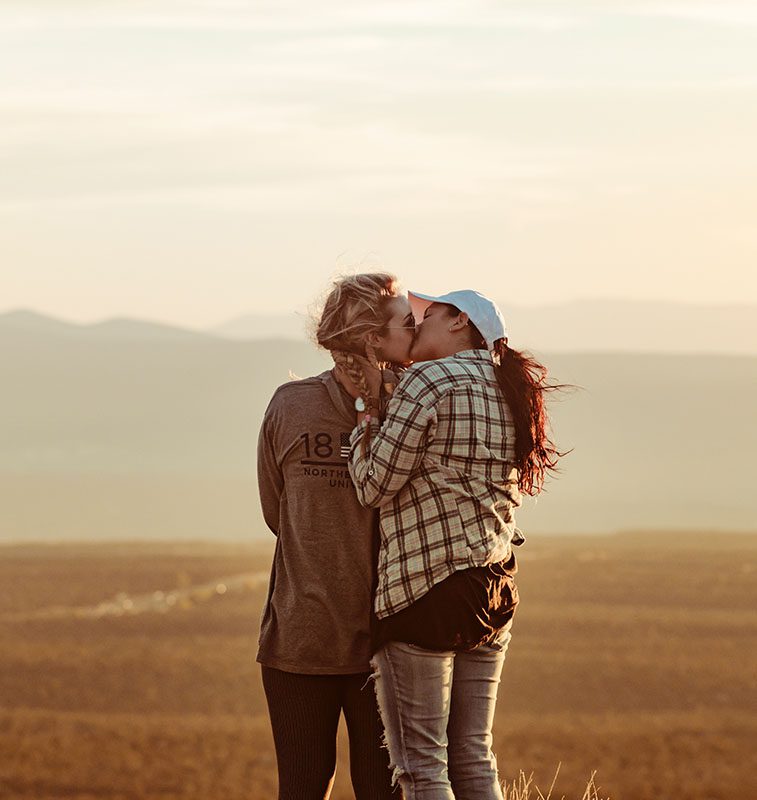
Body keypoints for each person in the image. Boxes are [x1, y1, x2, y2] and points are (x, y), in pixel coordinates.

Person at [337, 289, 564, 800]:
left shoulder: (428, 379)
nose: (417, 326)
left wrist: (364, 429)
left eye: (429, 316)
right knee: (474, 756)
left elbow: (374, 485)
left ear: (461, 322)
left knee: (422, 767)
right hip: (495, 585)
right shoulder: (510, 386)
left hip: (425, 589)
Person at [255, 272, 415, 800]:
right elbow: (278, 512)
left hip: (388, 646)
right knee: (301, 788)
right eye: (405, 322)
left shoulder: (413, 409)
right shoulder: (291, 405)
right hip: (300, 643)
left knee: (382, 791)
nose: (415, 332)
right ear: (371, 336)